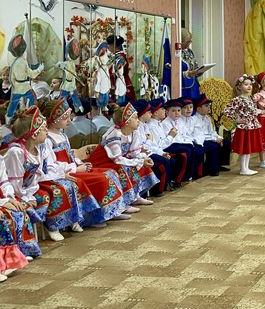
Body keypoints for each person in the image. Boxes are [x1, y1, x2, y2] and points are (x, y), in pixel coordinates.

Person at [40, 98, 124, 226]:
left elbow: (70, 155)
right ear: (53, 119)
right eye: (65, 118)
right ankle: (93, 217)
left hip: (74, 167)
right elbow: (51, 165)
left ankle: (112, 210)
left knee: (110, 172)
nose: (69, 120)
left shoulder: (62, 135)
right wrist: (75, 168)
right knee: (103, 178)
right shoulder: (47, 140)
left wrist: (80, 163)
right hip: (65, 172)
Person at [6, 106, 84, 242]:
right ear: (34, 134)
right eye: (43, 129)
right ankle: (51, 226)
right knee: (50, 194)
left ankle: (68, 221)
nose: (47, 131)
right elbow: (14, 181)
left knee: (66, 185)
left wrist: (61, 174)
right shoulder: (17, 152)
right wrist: (26, 196)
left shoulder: (40, 148)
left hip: (31, 186)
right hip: (14, 192)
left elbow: (40, 173)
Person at [88, 103, 159, 208]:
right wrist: (138, 161)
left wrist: (143, 158)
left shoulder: (134, 133)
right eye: (135, 118)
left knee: (140, 166)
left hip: (117, 160)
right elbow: (117, 159)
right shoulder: (115, 134)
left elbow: (133, 152)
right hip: (103, 162)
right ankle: (124, 203)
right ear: (127, 121)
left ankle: (135, 196)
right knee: (124, 168)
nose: (138, 120)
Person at [223, 75, 262, 176]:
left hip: (251, 126)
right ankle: (243, 169)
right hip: (244, 127)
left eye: (250, 84)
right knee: (244, 148)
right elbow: (227, 110)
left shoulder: (251, 98)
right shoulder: (238, 99)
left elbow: (252, 110)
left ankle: (246, 167)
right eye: (246, 84)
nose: (249, 86)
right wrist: (237, 120)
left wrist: (259, 111)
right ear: (240, 87)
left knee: (248, 148)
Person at [5, 34, 43, 123]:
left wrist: (15, 86)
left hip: (17, 87)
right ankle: (30, 114)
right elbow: (32, 74)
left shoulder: (15, 62)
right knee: (33, 97)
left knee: (13, 103)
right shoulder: (23, 61)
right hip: (24, 86)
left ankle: (8, 118)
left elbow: (11, 77)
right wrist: (40, 69)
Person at [192, 95, 227, 177]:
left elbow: (212, 131)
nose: (208, 108)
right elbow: (199, 135)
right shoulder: (194, 119)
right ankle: (212, 169)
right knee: (213, 146)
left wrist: (218, 137)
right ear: (198, 108)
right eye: (206, 106)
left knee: (226, 142)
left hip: (208, 138)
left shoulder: (207, 118)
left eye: (209, 106)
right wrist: (214, 139)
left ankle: (219, 165)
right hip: (199, 141)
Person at [107, 34, 135, 102]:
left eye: (109, 45)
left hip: (120, 84)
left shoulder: (120, 58)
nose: (108, 46)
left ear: (113, 45)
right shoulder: (116, 56)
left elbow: (114, 74)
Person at [180, 29, 201, 99]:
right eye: (187, 41)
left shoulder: (190, 51)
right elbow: (175, 73)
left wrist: (199, 71)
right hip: (184, 86)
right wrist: (188, 74)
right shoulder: (177, 53)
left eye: (190, 41)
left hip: (194, 84)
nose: (189, 43)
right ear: (181, 41)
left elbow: (195, 65)